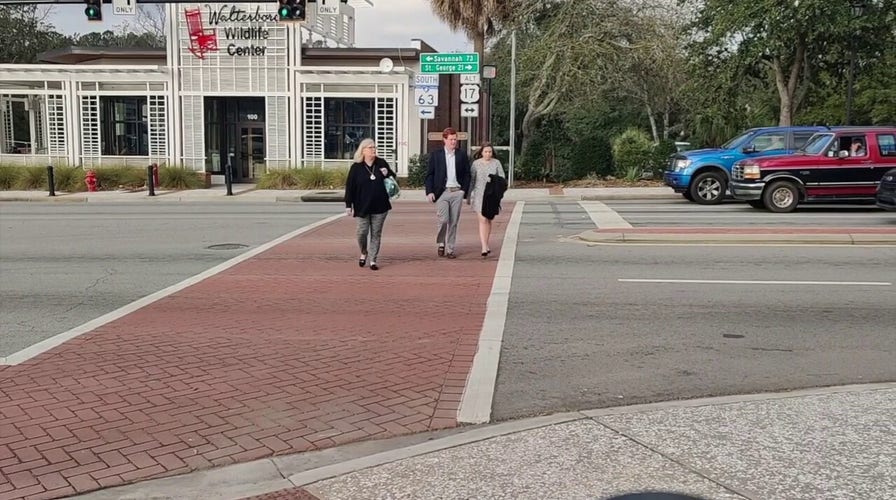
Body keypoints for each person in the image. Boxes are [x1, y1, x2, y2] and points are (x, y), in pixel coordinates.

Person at [344, 138, 397, 271]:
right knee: (362, 232)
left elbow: (392, 177)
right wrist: (348, 205)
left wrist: (387, 173)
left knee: (376, 233)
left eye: (374, 147)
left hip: (380, 205)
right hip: (362, 206)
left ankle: (373, 259)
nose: (373, 149)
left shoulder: (381, 163)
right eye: (370, 147)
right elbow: (350, 187)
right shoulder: (356, 167)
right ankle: (364, 251)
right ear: (363, 151)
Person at [424, 127, 471, 259]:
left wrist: (464, 191)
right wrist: (429, 191)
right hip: (442, 192)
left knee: (454, 221)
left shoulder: (461, 155)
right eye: (451, 139)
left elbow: (467, 174)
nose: (453, 142)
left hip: (457, 191)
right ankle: (441, 243)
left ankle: (450, 248)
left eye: (455, 139)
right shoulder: (436, 155)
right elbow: (430, 175)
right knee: (443, 219)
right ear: (444, 140)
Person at [468, 143, 506, 257]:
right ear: (481, 152)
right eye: (486, 152)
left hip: (491, 195)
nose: (488, 154)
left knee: (488, 219)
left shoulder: (496, 163)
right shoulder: (476, 164)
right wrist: (469, 195)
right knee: (483, 219)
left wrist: (498, 188)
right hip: (479, 194)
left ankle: (486, 242)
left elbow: (502, 178)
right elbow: (472, 180)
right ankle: (484, 246)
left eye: (490, 152)